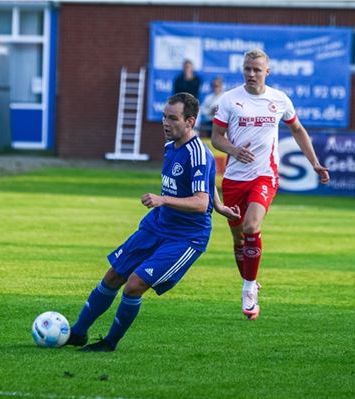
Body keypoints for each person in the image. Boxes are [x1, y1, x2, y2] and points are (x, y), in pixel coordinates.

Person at [65, 92, 241, 352]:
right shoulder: (171, 146)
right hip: (157, 225)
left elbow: (199, 202)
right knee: (114, 275)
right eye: (163, 116)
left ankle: (110, 342)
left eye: (173, 118)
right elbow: (206, 185)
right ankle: (78, 332)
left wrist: (164, 200)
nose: (165, 123)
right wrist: (220, 205)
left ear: (190, 122)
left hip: (186, 237)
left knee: (135, 284)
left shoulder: (198, 154)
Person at [211, 49, 330, 320]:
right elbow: (216, 138)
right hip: (234, 179)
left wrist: (314, 163)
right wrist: (234, 150)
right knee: (238, 238)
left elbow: (298, 130)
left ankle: (248, 289)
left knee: (252, 226)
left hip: (265, 175)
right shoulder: (230, 100)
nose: (251, 74)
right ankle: (250, 280)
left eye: (256, 69)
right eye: (247, 69)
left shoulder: (279, 99)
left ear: (267, 72)